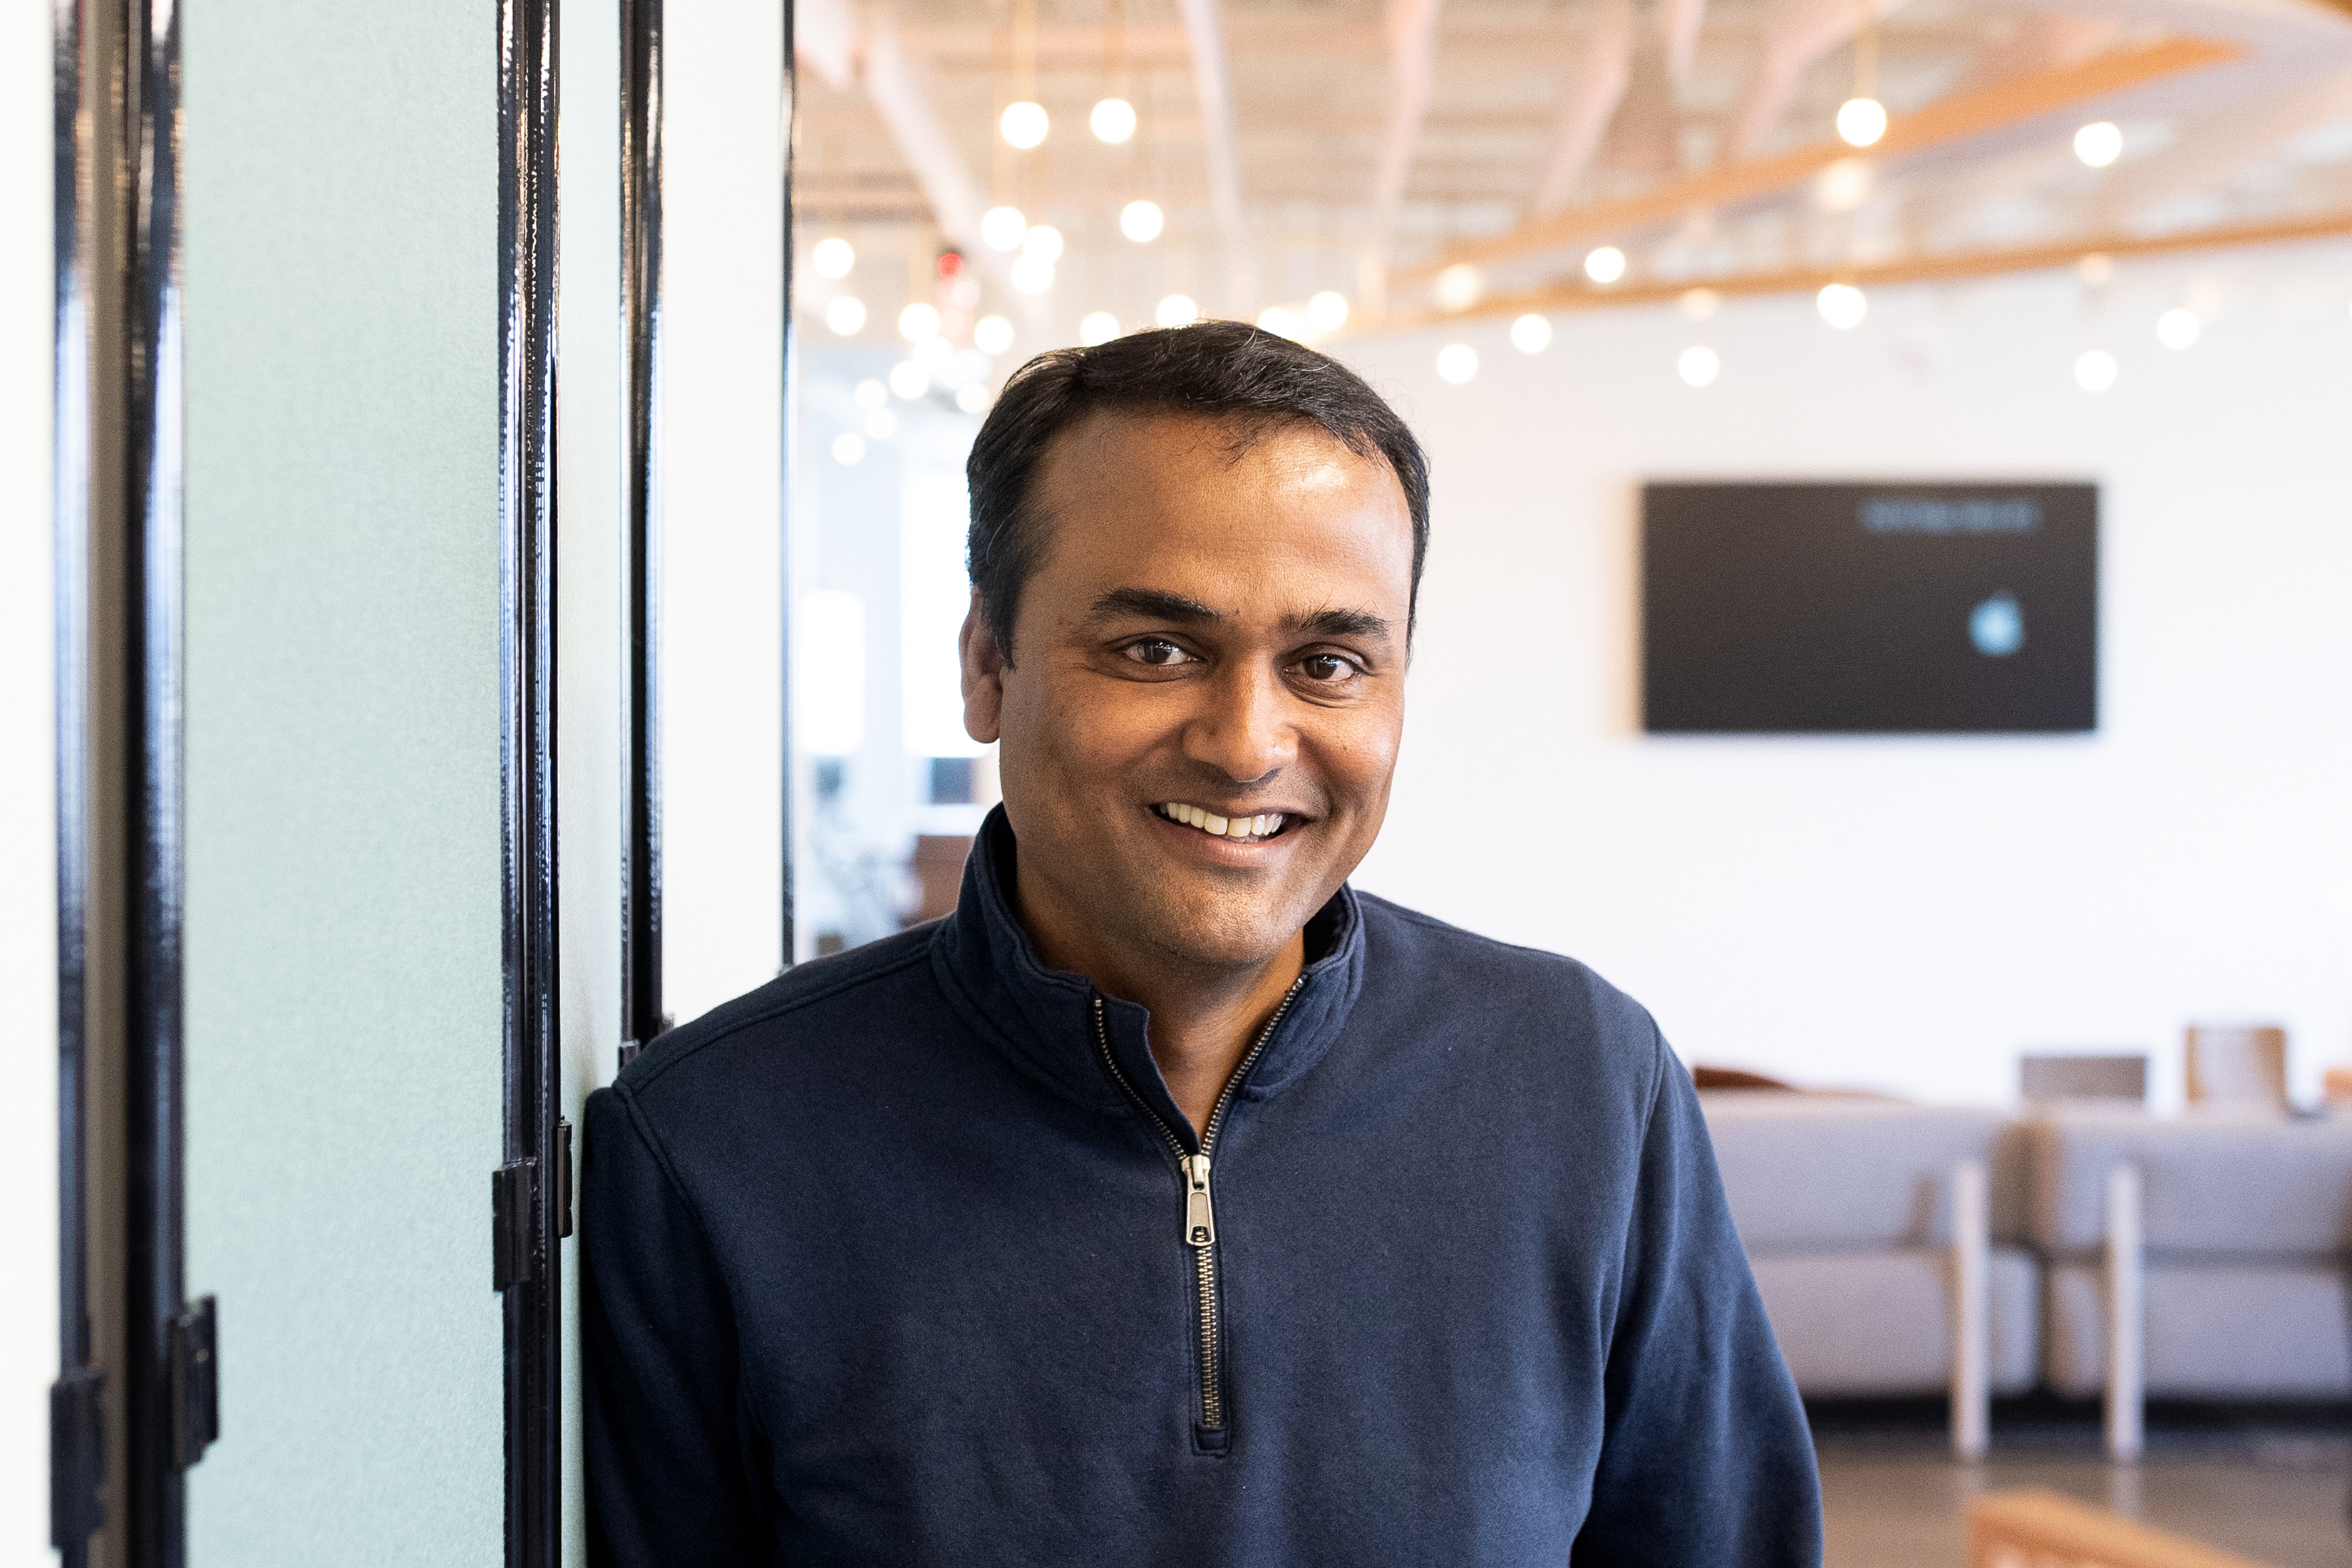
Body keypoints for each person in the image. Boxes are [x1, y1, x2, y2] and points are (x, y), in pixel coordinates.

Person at [582, 320, 1822, 1566]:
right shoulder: (715, 1144)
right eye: (1157, 650)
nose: (1245, 743)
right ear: (986, 668)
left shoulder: (1586, 1086)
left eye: (1327, 663)